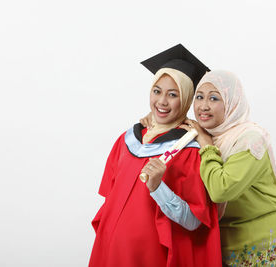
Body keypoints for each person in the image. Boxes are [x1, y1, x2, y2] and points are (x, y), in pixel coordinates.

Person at [89, 44, 222, 267]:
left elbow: (194, 222)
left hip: (151, 256)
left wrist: (158, 187)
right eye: (157, 91)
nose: (161, 102)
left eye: (173, 95)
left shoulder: (189, 152)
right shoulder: (127, 140)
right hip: (112, 250)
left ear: (187, 100)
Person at [179, 70, 276, 266]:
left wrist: (206, 145)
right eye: (199, 97)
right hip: (229, 246)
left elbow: (221, 190)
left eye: (214, 98)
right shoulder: (205, 136)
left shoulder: (249, 139)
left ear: (232, 103)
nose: (203, 106)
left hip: (267, 242)